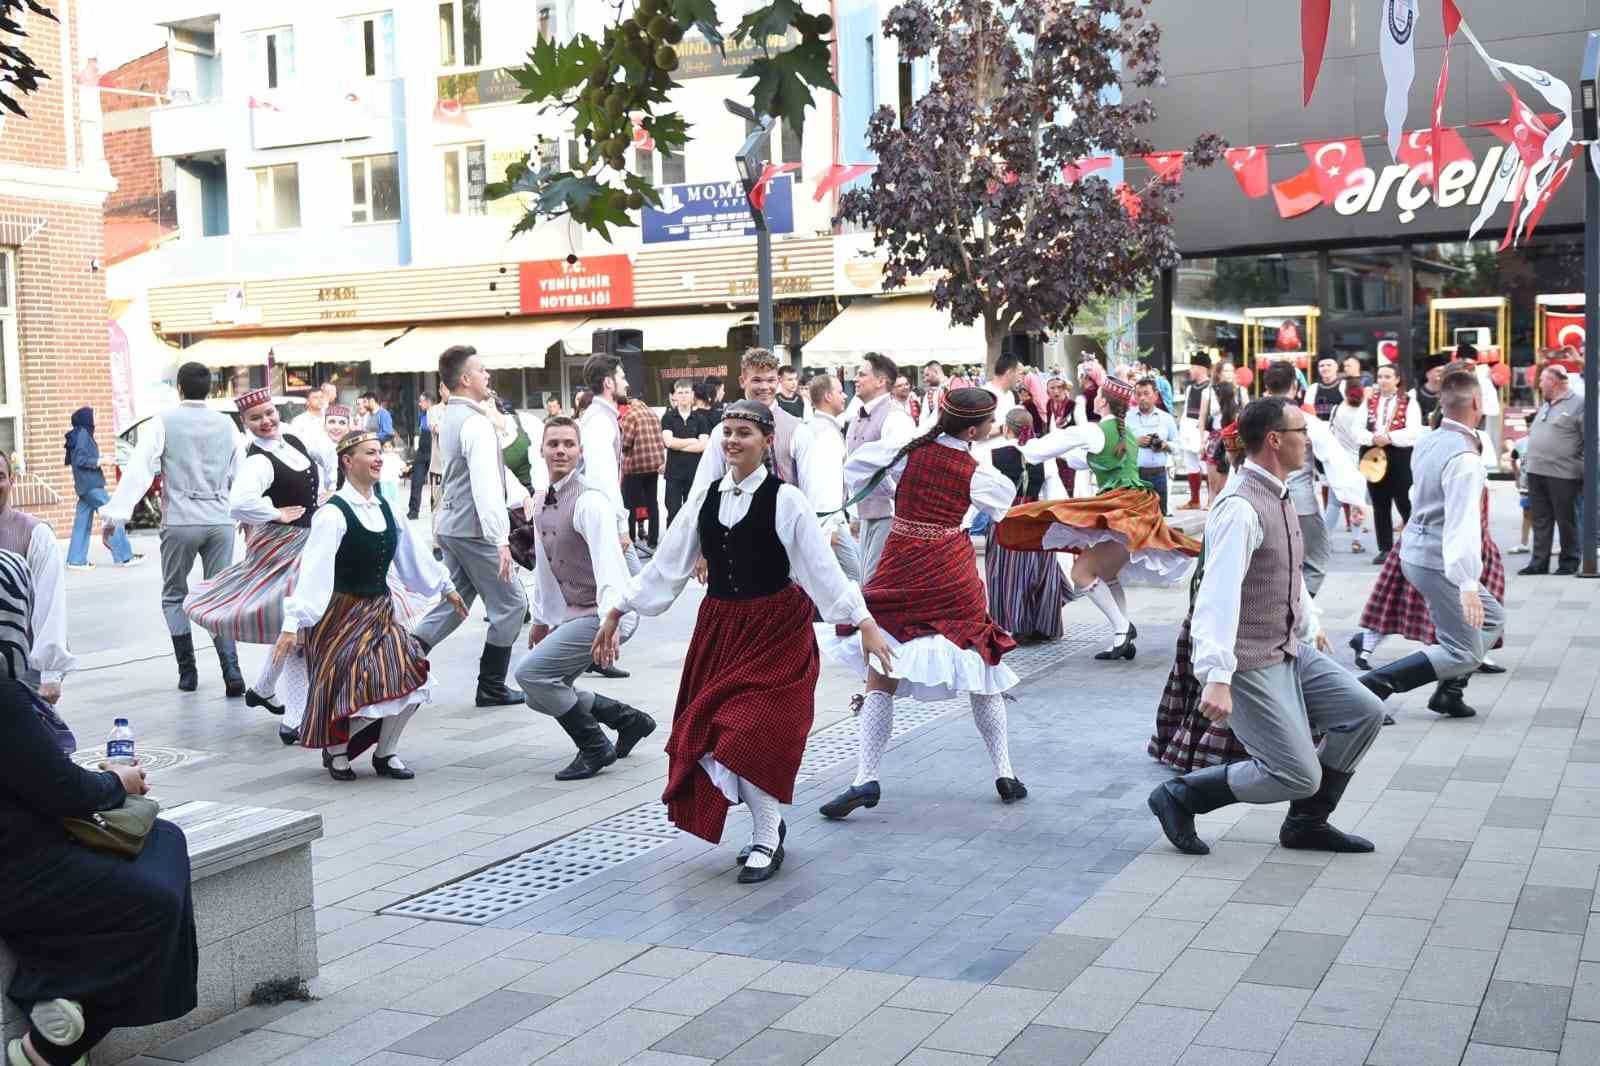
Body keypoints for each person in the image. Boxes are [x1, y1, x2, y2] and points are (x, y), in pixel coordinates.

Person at [593, 400, 892, 883]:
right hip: (721, 628)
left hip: (776, 628)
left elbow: (820, 568)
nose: (732, 440)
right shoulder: (707, 497)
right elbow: (667, 564)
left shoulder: (786, 498)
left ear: (766, 441)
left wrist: (862, 620)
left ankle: (766, 835)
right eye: (727, 432)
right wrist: (619, 607)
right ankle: (767, 829)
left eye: (743, 433)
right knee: (709, 731)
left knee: (749, 729)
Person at [1147, 398, 1385, 858]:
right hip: (1248, 659)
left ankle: (1306, 824)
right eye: (1302, 432)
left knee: (1364, 712)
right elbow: (1217, 596)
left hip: (1288, 647)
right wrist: (1216, 676)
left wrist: (1310, 622)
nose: (1308, 440)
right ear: (1275, 440)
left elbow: (1287, 572)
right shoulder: (1240, 505)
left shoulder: (1280, 490)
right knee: (1297, 773)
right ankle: (1181, 796)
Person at [818, 388, 1027, 821]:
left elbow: (856, 466)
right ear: (973, 429)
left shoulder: (906, 450)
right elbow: (1002, 504)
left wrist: (897, 489)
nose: (991, 429)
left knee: (882, 668)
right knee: (980, 666)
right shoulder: (974, 469)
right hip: (951, 571)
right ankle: (1005, 773)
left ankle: (865, 777)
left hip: (900, 564)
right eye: (989, 423)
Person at [0, 676, 197, 1066]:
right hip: (20, 864)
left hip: (28, 847)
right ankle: (48, 1046)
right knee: (154, 899)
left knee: (163, 838)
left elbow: (36, 774)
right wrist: (116, 782)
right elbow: (61, 789)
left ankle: (60, 996)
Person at [274, 432, 465, 781]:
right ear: (348, 461)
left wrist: (446, 587)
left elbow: (414, 557)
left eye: (380, 452)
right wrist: (293, 623)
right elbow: (313, 573)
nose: (379, 459)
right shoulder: (332, 514)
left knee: (412, 674)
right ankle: (338, 752)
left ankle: (385, 753)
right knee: (352, 684)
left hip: (379, 612)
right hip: (339, 617)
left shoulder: (388, 508)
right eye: (370, 453)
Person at [1002, 373, 1202, 661]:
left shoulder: (1094, 431)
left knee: (1081, 573)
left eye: (1097, 394)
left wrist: (1022, 436)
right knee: (1106, 574)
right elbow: (1082, 459)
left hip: (1121, 510)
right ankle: (1121, 635)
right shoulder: (1127, 435)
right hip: (1136, 508)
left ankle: (1123, 629)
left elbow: (1037, 452)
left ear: (1103, 400)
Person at [1358, 369, 1507, 719]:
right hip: (1437, 559)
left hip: (1418, 550)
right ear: (1476, 402)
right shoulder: (1465, 458)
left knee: (1492, 618)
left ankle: (1448, 691)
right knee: (1464, 652)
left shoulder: (1430, 438)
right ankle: (1370, 687)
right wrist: (1467, 582)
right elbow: (1461, 524)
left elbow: (1416, 496)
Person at [516, 418, 655, 781]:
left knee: (531, 675)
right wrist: (541, 619)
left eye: (568, 444)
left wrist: (611, 623)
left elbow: (611, 567)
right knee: (538, 692)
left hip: (607, 611)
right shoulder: (543, 499)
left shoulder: (590, 501)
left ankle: (595, 748)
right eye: (553, 444)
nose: (560, 450)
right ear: (542, 450)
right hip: (575, 611)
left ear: (580, 452)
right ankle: (630, 721)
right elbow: (544, 567)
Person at [183, 387, 331, 717]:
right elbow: (240, 502)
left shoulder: (292, 440)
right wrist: (274, 513)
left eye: (269, 413)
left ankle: (265, 689)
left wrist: (328, 493)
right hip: (285, 545)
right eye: (256, 418)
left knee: (295, 624)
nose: (266, 421)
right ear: (244, 422)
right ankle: (295, 718)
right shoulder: (258, 459)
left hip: (307, 539)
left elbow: (326, 458)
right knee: (298, 624)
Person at [102, 361, 243, 694]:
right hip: (220, 519)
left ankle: (188, 672)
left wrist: (116, 517)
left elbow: (140, 471)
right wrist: (246, 518)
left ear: (179, 388)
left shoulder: (163, 422)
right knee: (219, 595)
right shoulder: (227, 425)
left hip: (181, 519)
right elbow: (241, 473)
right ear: (210, 388)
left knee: (174, 595)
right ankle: (232, 671)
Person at [411, 346, 532, 706]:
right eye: (482, 370)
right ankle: (491, 686)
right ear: (465, 379)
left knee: (456, 601)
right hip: (473, 528)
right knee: (512, 604)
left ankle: (405, 657)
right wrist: (500, 540)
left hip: (451, 523)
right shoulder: (475, 421)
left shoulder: (451, 415)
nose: (488, 375)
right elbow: (484, 485)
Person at [1259, 363, 1368, 597]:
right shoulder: (1306, 421)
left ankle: (1277, 608)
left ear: (1266, 386)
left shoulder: (1251, 419)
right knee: (1316, 559)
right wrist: (1356, 499)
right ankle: (1297, 608)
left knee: (1265, 562)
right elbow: (1334, 460)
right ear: (1296, 387)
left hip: (1256, 500)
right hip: (1299, 503)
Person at [690, 348, 827, 521]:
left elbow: (813, 493)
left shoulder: (798, 430)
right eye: (756, 380)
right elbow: (704, 485)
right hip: (733, 525)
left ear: (777, 382)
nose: (764, 387)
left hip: (782, 527)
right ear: (742, 381)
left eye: (770, 380)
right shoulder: (722, 430)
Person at [986, 407, 1068, 642]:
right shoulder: (1045, 457)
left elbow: (989, 492)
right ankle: (1043, 625)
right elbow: (1054, 494)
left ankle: (1017, 625)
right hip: (1036, 517)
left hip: (1007, 517)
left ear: (1006, 428)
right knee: (1040, 571)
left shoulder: (994, 455)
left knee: (1008, 574)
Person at [0, 454, 73, 704]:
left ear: (12, 480)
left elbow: (50, 603)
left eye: (0, 477)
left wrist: (50, 671)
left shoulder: (35, 534)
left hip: (24, 670)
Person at [845, 352, 918, 581]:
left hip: (890, 514)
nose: (856, 379)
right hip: (867, 514)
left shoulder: (896, 418)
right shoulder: (856, 416)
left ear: (880, 381)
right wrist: (855, 514)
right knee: (867, 583)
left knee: (876, 584)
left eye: (862, 374)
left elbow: (903, 467)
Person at [1520, 363, 1584, 576]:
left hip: (1563, 472)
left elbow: (1591, 439)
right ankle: (1539, 562)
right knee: (1540, 518)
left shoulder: (1579, 404)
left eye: (1542, 380)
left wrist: (1581, 467)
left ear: (1553, 381)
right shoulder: (1546, 404)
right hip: (1536, 471)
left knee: (1566, 518)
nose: (1538, 384)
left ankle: (1569, 561)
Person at [1357, 364, 1422, 565]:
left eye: (1387, 376)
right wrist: (1372, 438)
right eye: (1380, 376)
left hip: (1398, 453)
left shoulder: (1409, 402)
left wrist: (1390, 437)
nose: (1383, 380)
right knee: (1379, 502)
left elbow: (1414, 431)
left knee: (1405, 500)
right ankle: (1385, 548)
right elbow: (1356, 428)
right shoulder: (1368, 402)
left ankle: (1415, 545)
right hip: (1372, 451)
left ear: (1397, 379)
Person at [63, 407, 138, 570]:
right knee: (113, 514)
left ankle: (76, 560)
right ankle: (125, 556)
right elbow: (81, 460)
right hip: (91, 486)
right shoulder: (83, 434)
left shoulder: (80, 434)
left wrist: (102, 459)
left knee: (81, 523)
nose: (96, 417)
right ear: (86, 419)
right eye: (93, 415)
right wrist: (101, 460)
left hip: (85, 486)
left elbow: (79, 458)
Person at [806, 373, 860, 581]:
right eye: (839, 392)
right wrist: (828, 530)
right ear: (828, 396)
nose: (844, 396)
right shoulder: (825, 433)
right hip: (829, 523)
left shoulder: (821, 428)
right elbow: (823, 484)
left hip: (832, 522)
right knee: (853, 579)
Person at [1326, 380, 1370, 551]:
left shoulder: (1337, 409)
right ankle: (1356, 541)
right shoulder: (1364, 411)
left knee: (1333, 502)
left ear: (1344, 393)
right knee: (1357, 501)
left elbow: (1330, 432)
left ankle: (1326, 539)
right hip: (1359, 460)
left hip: (1338, 460)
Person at [661, 379, 709, 528]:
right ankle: (671, 549)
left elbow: (703, 445)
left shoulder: (700, 419)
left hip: (694, 474)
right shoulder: (668, 417)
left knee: (693, 514)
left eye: (686, 392)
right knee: (673, 513)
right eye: (680, 393)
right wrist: (692, 441)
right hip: (673, 475)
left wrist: (678, 444)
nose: (683, 396)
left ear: (692, 394)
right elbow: (668, 442)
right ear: (674, 395)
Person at [1126, 378, 1179, 514]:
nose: (1142, 398)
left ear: (1155, 395)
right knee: (1137, 516)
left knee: (1160, 515)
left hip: (1159, 474)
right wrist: (1135, 443)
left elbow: (1177, 447)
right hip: (1135, 475)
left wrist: (1165, 445)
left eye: (1146, 393)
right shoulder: (1127, 417)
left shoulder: (1167, 418)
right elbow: (1118, 445)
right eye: (1138, 394)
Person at [620, 397, 666, 551]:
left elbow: (625, 442)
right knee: (652, 503)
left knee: (629, 504)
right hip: (653, 465)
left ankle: (631, 539)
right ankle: (653, 540)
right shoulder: (653, 414)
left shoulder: (630, 415)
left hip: (635, 466)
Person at [1198, 380, 1240, 505]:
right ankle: (1212, 506)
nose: (1214, 398)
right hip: (1215, 442)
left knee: (1222, 484)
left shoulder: (1235, 413)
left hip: (1226, 444)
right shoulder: (1218, 414)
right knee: (1213, 485)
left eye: (1216, 395)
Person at [288, 386, 337, 493]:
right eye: (315, 397)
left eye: (321, 397)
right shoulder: (299, 422)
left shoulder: (331, 419)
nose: (320, 400)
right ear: (307, 402)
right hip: (312, 469)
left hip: (333, 468)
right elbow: (296, 447)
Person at [407, 393, 432, 520]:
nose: (419, 404)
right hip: (422, 451)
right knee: (416, 480)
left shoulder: (437, 413)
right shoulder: (422, 415)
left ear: (428, 402)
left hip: (434, 451)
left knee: (437, 483)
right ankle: (413, 511)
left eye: (421, 401)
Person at [1506, 434, 1532, 554]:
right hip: (1526, 484)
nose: (1530, 427)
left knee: (1548, 514)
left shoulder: (1547, 438)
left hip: (1545, 482)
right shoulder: (1521, 442)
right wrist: (1517, 477)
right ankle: (1524, 544)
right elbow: (1513, 459)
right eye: (1528, 425)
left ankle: (1553, 545)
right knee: (1526, 513)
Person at [1309, 357, 1344, 423]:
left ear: (1336, 367)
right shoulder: (1312, 388)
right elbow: (1308, 414)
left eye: (1329, 365)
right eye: (1322, 366)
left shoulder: (1345, 386)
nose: (1325, 368)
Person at [918, 360, 948, 431]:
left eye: (927, 375)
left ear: (935, 372)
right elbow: (923, 418)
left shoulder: (953, 385)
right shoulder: (930, 393)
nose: (925, 380)